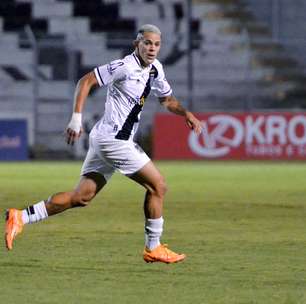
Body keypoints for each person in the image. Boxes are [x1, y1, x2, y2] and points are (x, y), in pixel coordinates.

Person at [5, 24, 202, 263]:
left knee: (81, 197)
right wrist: (76, 119)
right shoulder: (124, 66)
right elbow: (85, 81)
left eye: (156, 44)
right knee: (158, 187)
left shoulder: (155, 69)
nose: (152, 48)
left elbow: (167, 99)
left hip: (104, 139)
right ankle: (153, 246)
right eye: (147, 43)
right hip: (114, 141)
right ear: (136, 44)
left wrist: (186, 114)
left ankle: (20, 217)